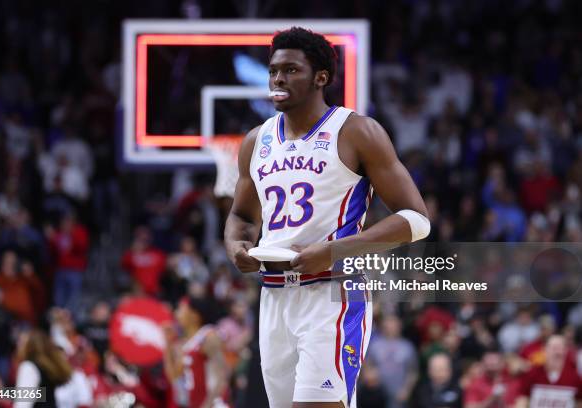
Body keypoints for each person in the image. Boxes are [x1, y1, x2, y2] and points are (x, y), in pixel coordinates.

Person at [225, 27, 430, 408]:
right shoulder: (257, 140)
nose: (278, 79)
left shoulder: (357, 131)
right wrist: (236, 244)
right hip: (273, 296)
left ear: (321, 77)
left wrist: (333, 250)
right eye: (273, 71)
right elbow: (241, 214)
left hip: (332, 292)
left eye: (290, 70)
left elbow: (416, 219)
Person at [163, 296, 229, 408]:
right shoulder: (187, 343)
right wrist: (168, 344)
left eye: (181, 309)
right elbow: (173, 376)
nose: (176, 313)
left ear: (195, 315)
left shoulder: (209, 336)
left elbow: (222, 378)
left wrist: (207, 405)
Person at [13, 329, 93, 408]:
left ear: (30, 346)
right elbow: (40, 395)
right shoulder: (47, 368)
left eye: (21, 342)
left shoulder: (29, 367)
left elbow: (22, 403)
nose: (17, 345)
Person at [516, 335, 582, 408]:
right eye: (554, 348)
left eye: (560, 348)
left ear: (565, 351)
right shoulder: (532, 374)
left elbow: (580, 402)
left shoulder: (574, 377)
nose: (557, 352)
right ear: (544, 350)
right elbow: (522, 400)